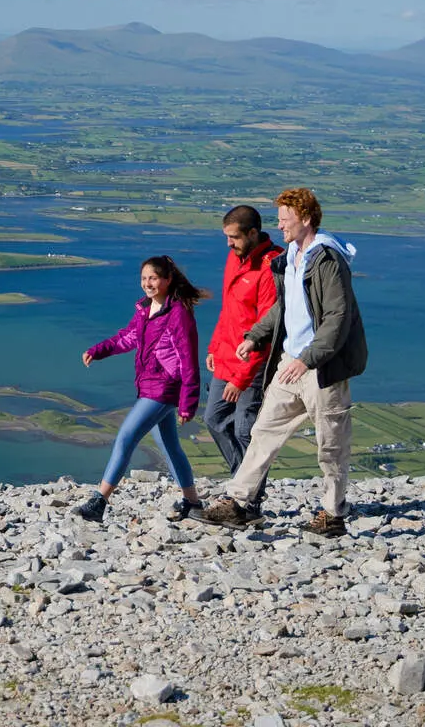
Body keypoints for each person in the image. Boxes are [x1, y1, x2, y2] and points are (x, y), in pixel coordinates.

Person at [196, 188, 368, 537]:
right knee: (263, 432)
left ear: (305, 219)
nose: (280, 226)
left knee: (330, 445)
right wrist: (254, 336)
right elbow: (284, 308)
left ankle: (333, 514)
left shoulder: (327, 261)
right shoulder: (292, 256)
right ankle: (239, 503)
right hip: (291, 362)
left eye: (285, 220)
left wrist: (306, 360)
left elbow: (338, 317)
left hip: (321, 369)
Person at [72, 255, 204, 524]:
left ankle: (100, 501)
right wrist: (98, 351)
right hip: (149, 384)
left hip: (164, 387)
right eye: (144, 278)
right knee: (169, 446)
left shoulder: (178, 313)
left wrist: (188, 401)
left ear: (167, 280)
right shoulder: (145, 309)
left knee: (126, 437)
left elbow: (189, 359)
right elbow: (128, 337)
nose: (147, 283)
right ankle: (192, 502)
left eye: (153, 278)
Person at [203, 205, 281, 504]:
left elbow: (266, 329)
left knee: (247, 430)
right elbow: (230, 310)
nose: (228, 243)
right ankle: (244, 485)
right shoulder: (235, 258)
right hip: (227, 356)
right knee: (214, 419)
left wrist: (242, 378)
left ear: (252, 233)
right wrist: (214, 346)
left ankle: (247, 498)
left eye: (234, 237)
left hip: (252, 365)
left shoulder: (269, 266)